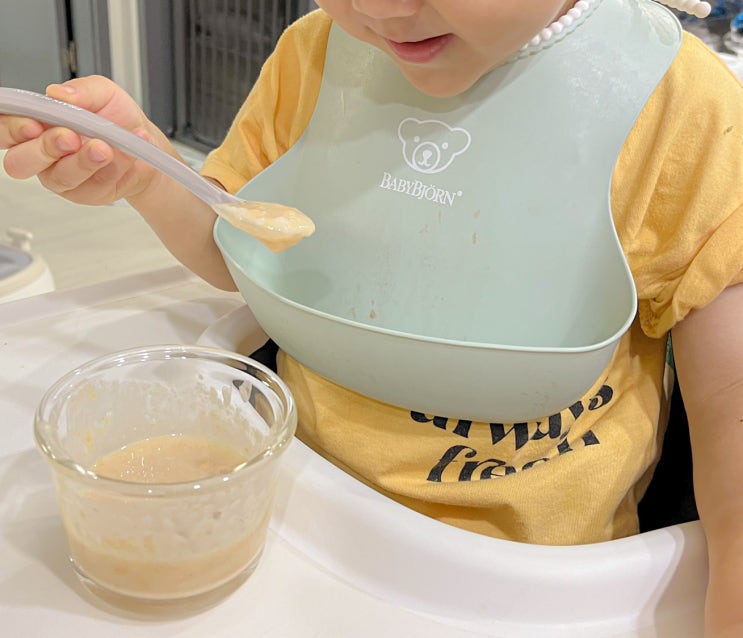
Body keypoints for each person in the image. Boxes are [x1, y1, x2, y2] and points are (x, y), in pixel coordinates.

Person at [1, 0, 742, 635]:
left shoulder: (682, 111)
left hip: (534, 576)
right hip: (299, 514)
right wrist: (148, 173)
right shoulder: (317, 54)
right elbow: (243, 251)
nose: (381, 8)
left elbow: (729, 400)